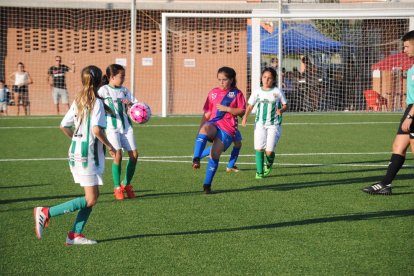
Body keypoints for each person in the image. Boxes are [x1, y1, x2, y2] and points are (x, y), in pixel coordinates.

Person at [34, 65, 116, 245]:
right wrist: (111, 146)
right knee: (91, 198)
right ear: (97, 81)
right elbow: (96, 130)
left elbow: (64, 125)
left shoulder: (79, 99)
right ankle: (46, 212)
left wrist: (76, 140)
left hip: (77, 152)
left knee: (92, 198)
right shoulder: (97, 102)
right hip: (88, 155)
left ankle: (75, 235)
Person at [362, 30, 414, 195]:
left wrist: (411, 116)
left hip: (413, 112)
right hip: (410, 110)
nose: (404, 50)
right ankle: (385, 184)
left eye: (406, 46)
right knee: (398, 147)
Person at [192, 66, 246, 194]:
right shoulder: (213, 92)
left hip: (228, 128)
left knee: (214, 155)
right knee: (205, 129)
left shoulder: (237, 94)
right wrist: (200, 128)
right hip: (214, 123)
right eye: (219, 79)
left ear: (231, 80)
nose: (221, 82)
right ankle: (196, 159)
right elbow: (207, 113)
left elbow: (242, 111)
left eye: (224, 79)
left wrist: (227, 109)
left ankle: (207, 185)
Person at [98, 64, 138, 200]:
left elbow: (135, 106)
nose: (123, 79)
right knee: (118, 155)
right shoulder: (103, 90)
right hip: (111, 127)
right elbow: (96, 105)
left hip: (126, 126)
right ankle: (117, 187)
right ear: (112, 77)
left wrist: (130, 105)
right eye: (121, 76)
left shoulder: (125, 90)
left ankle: (126, 184)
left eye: (124, 76)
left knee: (134, 155)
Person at [242, 67, 288, 179]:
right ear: (261, 78)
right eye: (264, 77)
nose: (266, 80)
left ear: (273, 80)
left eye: (269, 78)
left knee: (269, 151)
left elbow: (285, 105)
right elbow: (250, 106)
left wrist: (281, 110)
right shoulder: (257, 92)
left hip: (274, 124)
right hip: (260, 124)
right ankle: (259, 172)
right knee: (259, 148)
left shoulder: (277, 91)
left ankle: (269, 162)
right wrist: (245, 118)